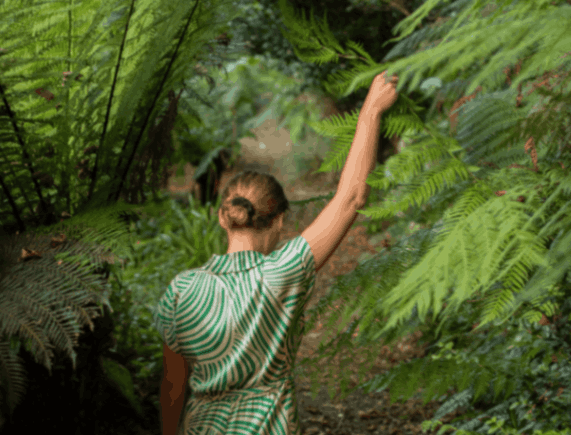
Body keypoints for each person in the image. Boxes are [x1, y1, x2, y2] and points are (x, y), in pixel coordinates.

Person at [155, 70, 399, 435]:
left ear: (223, 218)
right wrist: (371, 111)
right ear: (279, 222)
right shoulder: (284, 273)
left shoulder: (181, 291)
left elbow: (173, 388)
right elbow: (351, 199)